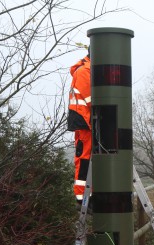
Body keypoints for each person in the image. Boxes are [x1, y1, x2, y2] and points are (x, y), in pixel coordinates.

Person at [67, 52, 91, 204]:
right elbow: (92, 98)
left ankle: (87, 194)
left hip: (87, 119)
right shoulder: (84, 71)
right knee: (84, 158)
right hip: (84, 120)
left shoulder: (87, 69)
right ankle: (81, 197)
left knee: (87, 157)